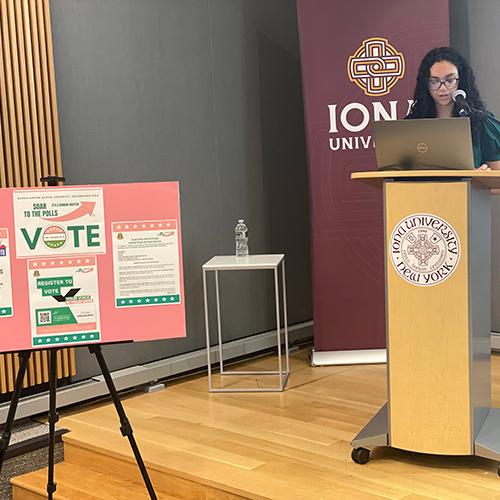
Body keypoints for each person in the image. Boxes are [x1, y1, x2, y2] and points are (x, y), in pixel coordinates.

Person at [406, 47, 500, 170]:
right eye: (434, 81)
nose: (443, 88)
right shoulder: (410, 126)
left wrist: (481, 178)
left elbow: (497, 180)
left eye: (450, 80)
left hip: (470, 189)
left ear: (461, 81)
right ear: (425, 84)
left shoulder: (481, 124)